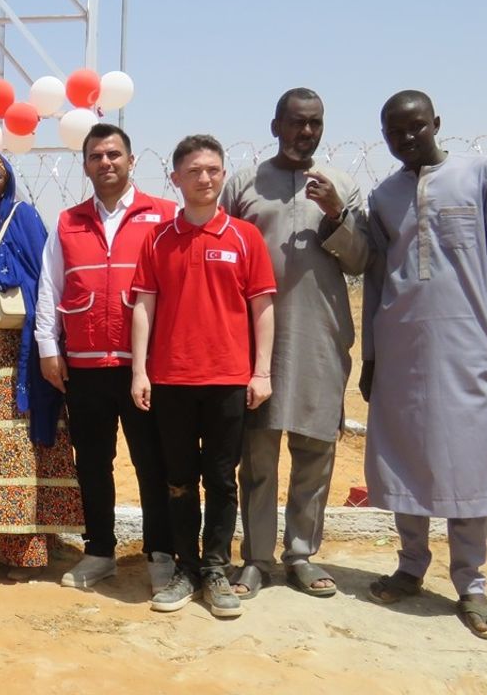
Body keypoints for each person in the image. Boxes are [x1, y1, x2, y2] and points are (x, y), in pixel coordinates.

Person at [361, 90, 487, 640]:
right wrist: (370, 356)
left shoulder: (482, 174)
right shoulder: (383, 196)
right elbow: (375, 282)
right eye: (393, 132)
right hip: (402, 349)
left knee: (465, 461)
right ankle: (412, 566)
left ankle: (472, 584)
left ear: (436, 123)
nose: (405, 139)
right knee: (406, 455)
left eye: (414, 127)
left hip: (470, 346)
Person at [219, 88, 369, 599]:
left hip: (322, 339)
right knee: (257, 456)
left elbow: (361, 260)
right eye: (297, 123)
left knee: (314, 452)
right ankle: (257, 559)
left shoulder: (341, 185)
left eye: (316, 123)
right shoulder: (243, 184)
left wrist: (335, 215)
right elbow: (220, 252)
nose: (307, 132)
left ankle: (302, 553)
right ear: (275, 126)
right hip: (255, 344)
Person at [129, 134, 277, 619]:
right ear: (176, 179)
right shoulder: (158, 239)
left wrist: (261, 373)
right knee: (177, 480)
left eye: (213, 170)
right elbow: (144, 307)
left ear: (222, 174)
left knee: (221, 480)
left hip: (227, 382)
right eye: (194, 171)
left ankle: (215, 569)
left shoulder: (244, 237)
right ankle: (185, 569)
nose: (205, 178)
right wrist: (140, 370)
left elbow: (262, 308)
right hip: (170, 382)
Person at [35, 123, 178, 590]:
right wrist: (48, 347)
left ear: (131, 161)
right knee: (93, 463)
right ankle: (99, 551)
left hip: (145, 368)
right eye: (97, 156)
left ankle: (161, 554)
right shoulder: (68, 221)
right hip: (86, 365)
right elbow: (50, 286)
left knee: (151, 463)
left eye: (115, 154)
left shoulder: (163, 215)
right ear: (86, 166)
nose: (107, 163)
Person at [0, 147, 84, 581]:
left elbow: (44, 280)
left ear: (7, 182)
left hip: (18, 353)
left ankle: (25, 549)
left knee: (19, 442)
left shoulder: (22, 218)